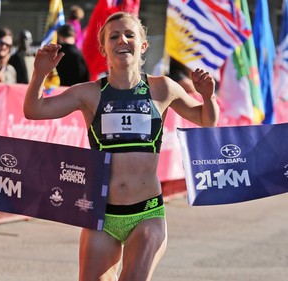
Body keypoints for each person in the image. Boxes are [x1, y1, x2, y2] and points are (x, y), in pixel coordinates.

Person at [24, 11, 219, 281]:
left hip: (147, 213)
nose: (122, 40)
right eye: (113, 36)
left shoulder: (162, 88)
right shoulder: (89, 93)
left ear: (143, 45)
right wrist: (39, 74)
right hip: (101, 215)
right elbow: (34, 110)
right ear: (103, 48)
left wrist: (208, 97)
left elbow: (206, 120)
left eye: (130, 34)